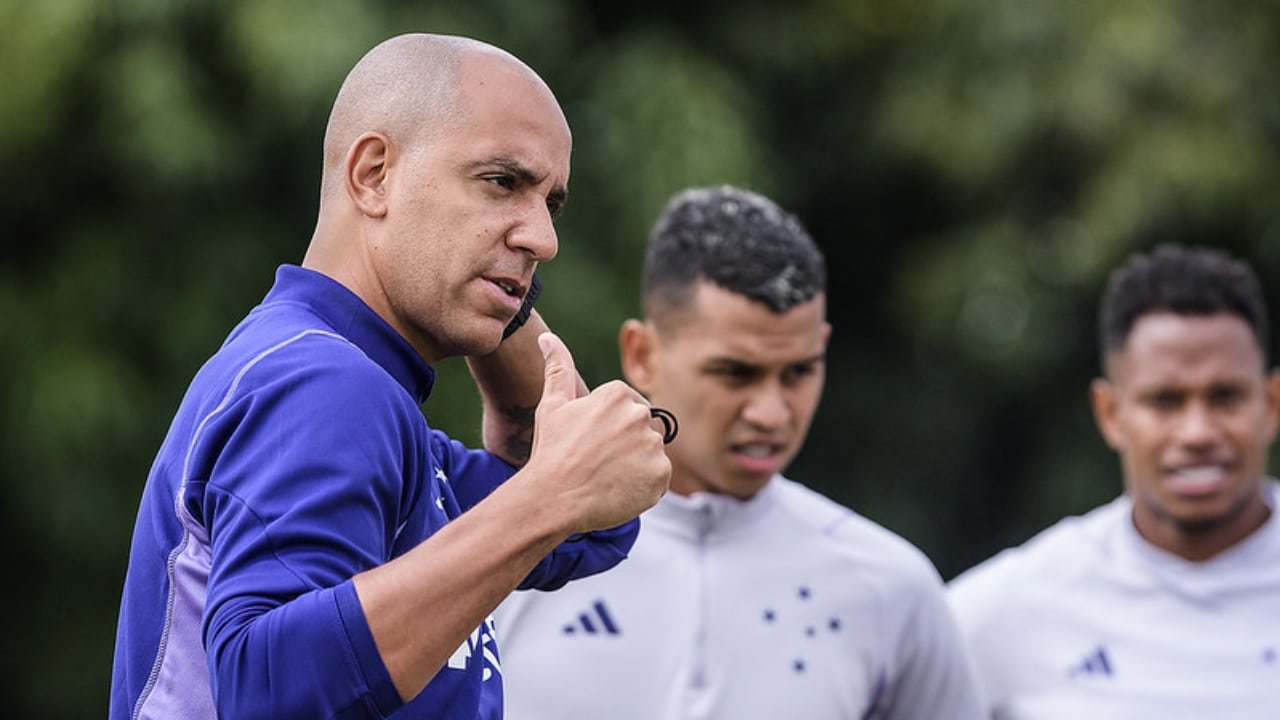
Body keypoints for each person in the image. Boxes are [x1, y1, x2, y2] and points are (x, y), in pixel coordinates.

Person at [109, 33, 671, 719]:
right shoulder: (324, 385)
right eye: (502, 182)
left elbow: (596, 524)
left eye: (549, 204)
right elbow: (267, 689)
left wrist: (504, 297)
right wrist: (547, 500)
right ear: (373, 174)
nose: (544, 240)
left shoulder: (361, 398)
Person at [494, 185, 985, 719]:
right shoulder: (507, 545)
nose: (771, 413)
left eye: (799, 371)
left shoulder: (893, 588)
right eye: (735, 372)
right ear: (642, 354)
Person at [948, 243, 1280, 718]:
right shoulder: (1011, 607)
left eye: (1226, 397)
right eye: (1165, 401)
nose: (1199, 432)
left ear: (1270, 404)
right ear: (1111, 413)